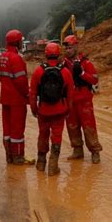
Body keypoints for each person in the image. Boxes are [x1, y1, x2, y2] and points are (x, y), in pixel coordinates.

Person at [30, 42, 74, 176]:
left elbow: (33, 93)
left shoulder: (38, 71)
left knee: (43, 135)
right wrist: (68, 110)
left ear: (46, 54)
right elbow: (70, 95)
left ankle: (41, 163)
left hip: (43, 111)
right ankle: (53, 166)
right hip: (59, 111)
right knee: (57, 136)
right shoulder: (65, 72)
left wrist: (34, 109)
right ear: (59, 54)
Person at [62, 35, 102, 164]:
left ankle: (95, 151)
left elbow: (95, 79)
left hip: (84, 100)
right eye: (66, 48)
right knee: (72, 126)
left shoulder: (85, 63)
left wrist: (82, 74)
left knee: (89, 126)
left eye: (70, 48)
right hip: (70, 100)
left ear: (76, 47)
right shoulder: (64, 64)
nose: (68, 50)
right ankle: (77, 150)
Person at [0, 29, 32, 165]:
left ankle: (9, 157)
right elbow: (21, 82)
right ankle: (18, 157)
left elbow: (1, 78)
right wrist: (28, 95)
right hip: (17, 100)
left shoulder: (2, 57)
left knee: (7, 129)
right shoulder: (16, 59)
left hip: (5, 98)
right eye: (20, 41)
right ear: (17, 42)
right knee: (17, 130)